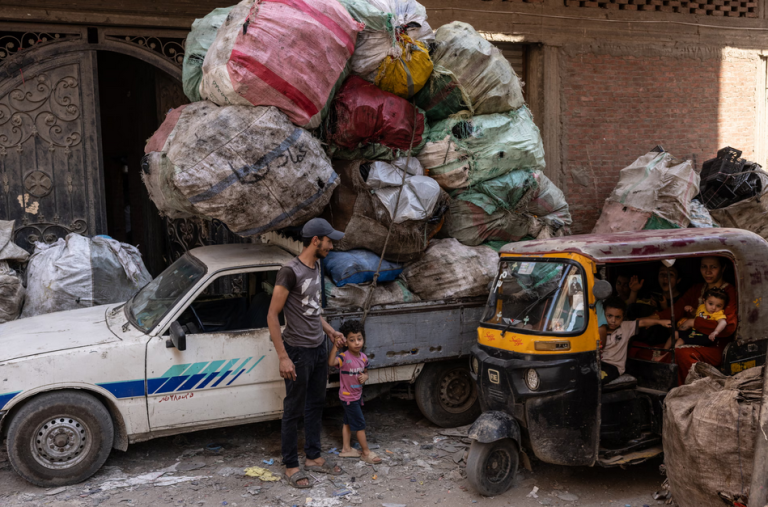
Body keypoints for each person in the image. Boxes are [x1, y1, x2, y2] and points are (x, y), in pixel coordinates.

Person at [267, 218, 347, 489]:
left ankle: (313, 457)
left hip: (318, 348)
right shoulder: (289, 271)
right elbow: (272, 316)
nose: (331, 245)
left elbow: (313, 311)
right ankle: (291, 465)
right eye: (329, 240)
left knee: (315, 405)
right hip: (297, 352)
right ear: (316, 240)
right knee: (293, 409)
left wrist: (331, 332)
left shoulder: (317, 267)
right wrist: (282, 356)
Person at [664, 257, 737, 383]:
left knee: (680, 353)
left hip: (715, 345)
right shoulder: (697, 289)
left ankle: (687, 392)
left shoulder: (729, 290)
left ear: (723, 268)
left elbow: (729, 327)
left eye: (713, 267)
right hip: (692, 337)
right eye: (704, 267)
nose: (708, 271)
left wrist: (694, 322)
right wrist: (647, 320)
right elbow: (675, 310)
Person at [328, 320, 382, 465]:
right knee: (360, 425)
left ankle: (346, 449)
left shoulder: (363, 357)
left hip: (356, 396)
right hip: (348, 398)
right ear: (346, 343)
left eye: (359, 338)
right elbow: (331, 362)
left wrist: (366, 376)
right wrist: (335, 346)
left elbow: (365, 372)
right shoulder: (344, 357)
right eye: (352, 340)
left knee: (347, 422)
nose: (357, 343)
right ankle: (366, 452)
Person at [599, 297, 671, 384]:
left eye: (618, 317)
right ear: (603, 315)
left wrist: (660, 322)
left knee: (597, 380)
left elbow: (642, 322)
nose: (613, 320)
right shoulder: (598, 329)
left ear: (623, 317)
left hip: (614, 367)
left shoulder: (626, 327)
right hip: (599, 364)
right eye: (609, 316)